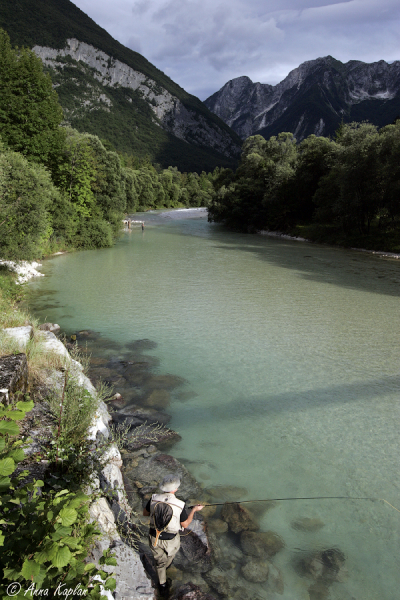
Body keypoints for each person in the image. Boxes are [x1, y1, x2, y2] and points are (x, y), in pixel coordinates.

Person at [143, 474, 204, 597]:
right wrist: (193, 510)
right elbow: (185, 524)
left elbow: (145, 513)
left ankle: (163, 581)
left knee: (159, 561)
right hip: (171, 539)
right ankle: (164, 583)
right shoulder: (180, 504)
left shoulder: (154, 498)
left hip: (154, 536)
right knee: (166, 560)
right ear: (175, 489)